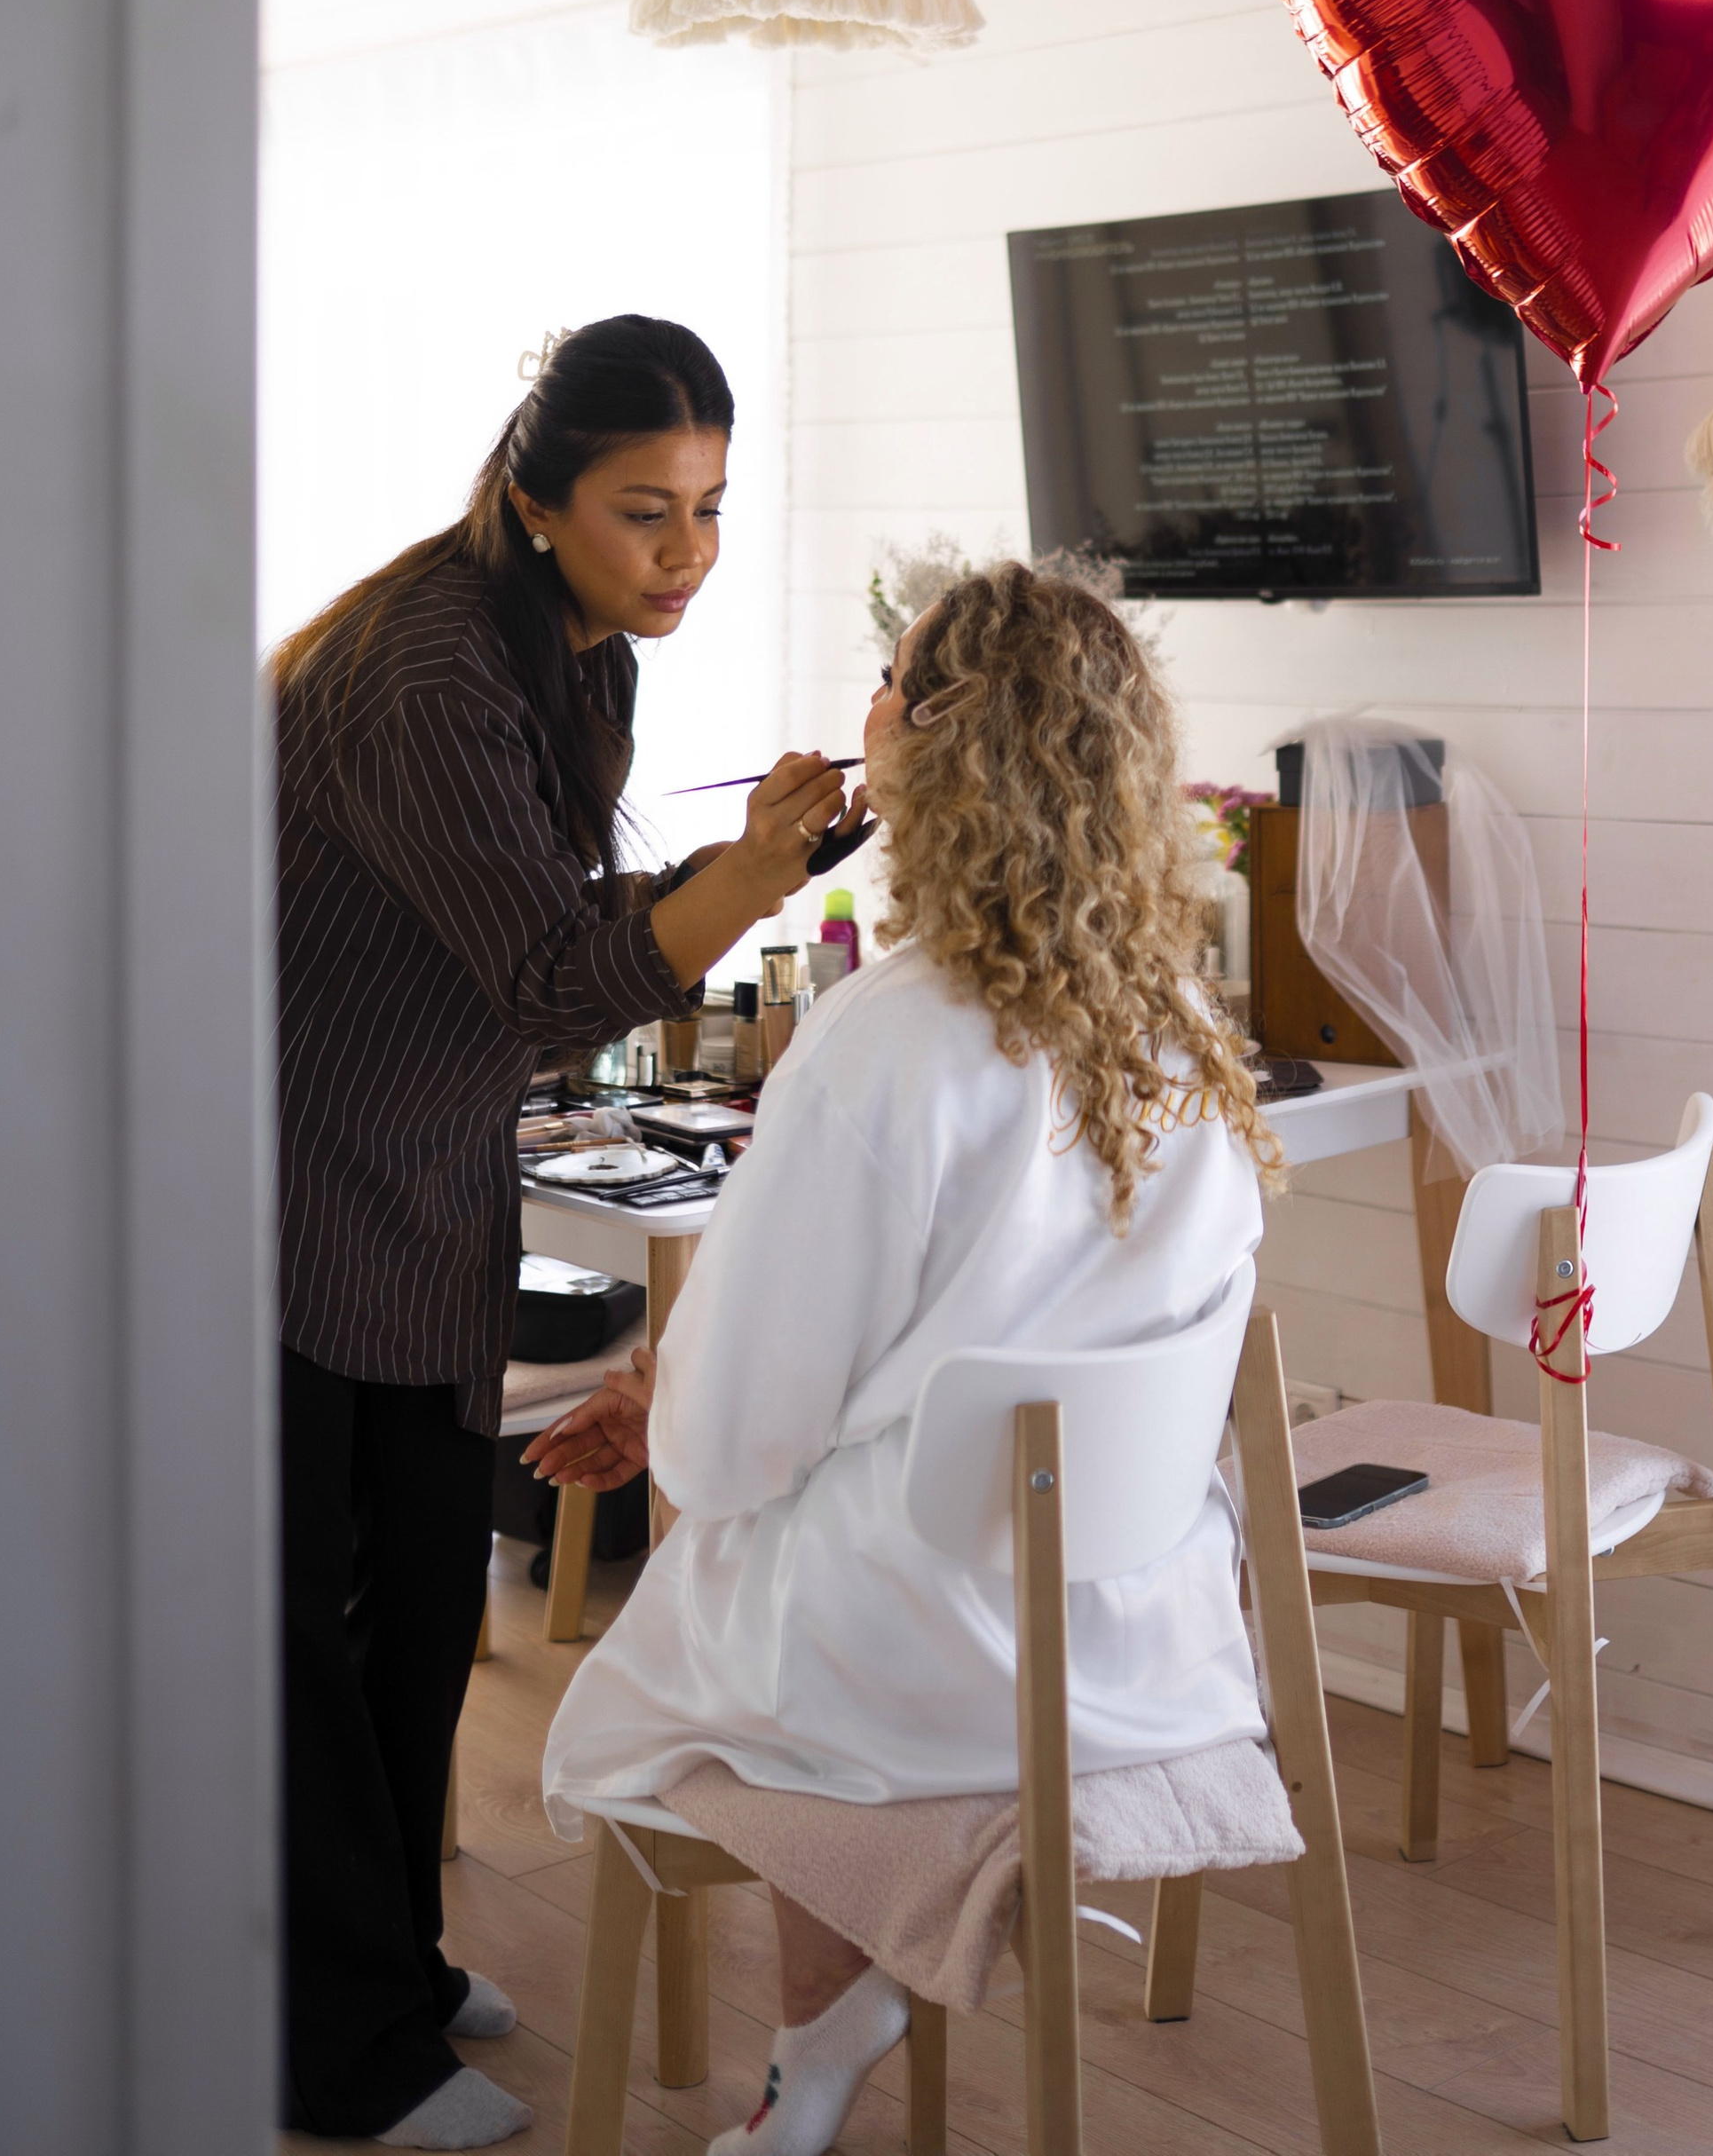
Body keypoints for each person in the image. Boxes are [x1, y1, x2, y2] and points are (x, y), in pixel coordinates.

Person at [534, 562, 1280, 2156]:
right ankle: (825, 2035)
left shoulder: (883, 1039)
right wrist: (690, 1388)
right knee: (801, 1514)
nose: (863, 708)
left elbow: (735, 1447)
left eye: (888, 681)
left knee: (741, 1558)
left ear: (934, 741)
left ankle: (822, 2031)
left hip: (920, 1671)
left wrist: (674, 1400)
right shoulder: (1182, 1027)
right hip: (1146, 1647)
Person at [271, 314, 856, 2151]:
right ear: (536, 500)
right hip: (268, 1167)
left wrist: (755, 865)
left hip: (412, 1168)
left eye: (709, 508)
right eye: (642, 511)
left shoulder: (572, 652)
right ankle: (338, 2054)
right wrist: (745, 879)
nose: (687, 554)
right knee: (301, 1636)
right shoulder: (429, 669)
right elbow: (545, 979)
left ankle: (386, 1966)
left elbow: (543, 911)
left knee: (422, 1596)